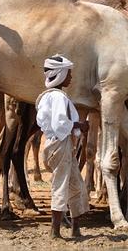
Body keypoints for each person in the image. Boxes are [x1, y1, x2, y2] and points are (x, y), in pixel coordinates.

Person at [36, 55, 90, 239]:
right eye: (69, 74)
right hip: (61, 145)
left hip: (56, 144)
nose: (71, 77)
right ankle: (55, 231)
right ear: (60, 75)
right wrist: (80, 126)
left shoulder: (46, 97)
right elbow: (60, 124)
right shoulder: (58, 97)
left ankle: (75, 229)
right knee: (60, 186)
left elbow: (46, 122)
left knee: (76, 185)